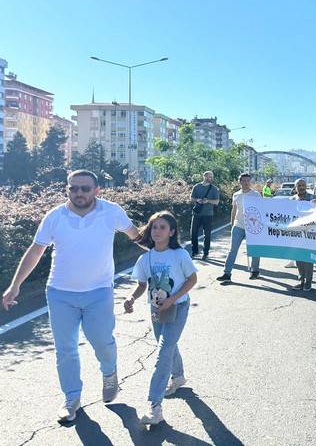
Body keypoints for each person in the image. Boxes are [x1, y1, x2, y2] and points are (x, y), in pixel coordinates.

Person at [2, 170, 140, 423]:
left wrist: (166, 251)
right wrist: (15, 285)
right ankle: (71, 398)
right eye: (73, 188)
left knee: (102, 342)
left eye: (85, 188)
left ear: (97, 190)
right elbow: (35, 251)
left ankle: (109, 373)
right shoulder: (55, 217)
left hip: (99, 291)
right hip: (59, 293)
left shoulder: (111, 212)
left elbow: (136, 236)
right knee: (65, 350)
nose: (79, 193)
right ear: (67, 189)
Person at [124, 211, 198, 426]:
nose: (157, 231)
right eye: (154, 227)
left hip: (178, 308)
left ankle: (154, 406)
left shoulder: (179, 255)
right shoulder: (145, 257)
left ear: (172, 232)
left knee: (163, 351)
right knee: (166, 345)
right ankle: (179, 376)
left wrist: (173, 299)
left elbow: (192, 279)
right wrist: (131, 298)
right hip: (157, 310)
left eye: (163, 227)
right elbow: (141, 285)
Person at [218, 173, 262, 282]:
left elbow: (261, 210)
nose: (246, 182)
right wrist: (232, 223)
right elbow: (234, 209)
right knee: (232, 250)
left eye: (248, 180)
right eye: (244, 180)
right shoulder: (236, 195)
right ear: (240, 182)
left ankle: (254, 271)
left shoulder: (256, 195)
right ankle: (226, 273)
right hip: (238, 226)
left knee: (254, 250)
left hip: (252, 227)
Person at [290, 179, 316, 290]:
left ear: (306, 186)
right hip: (296, 233)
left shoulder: (312, 198)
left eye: (303, 185)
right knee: (298, 257)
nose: (301, 187)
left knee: (308, 258)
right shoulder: (291, 200)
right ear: (295, 187)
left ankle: (308, 282)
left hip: (309, 232)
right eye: (299, 185)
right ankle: (301, 280)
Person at [190, 171, 220, 261]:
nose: (210, 178)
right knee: (193, 233)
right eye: (208, 176)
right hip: (197, 214)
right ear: (204, 176)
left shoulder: (214, 189)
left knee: (207, 235)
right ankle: (195, 251)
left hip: (208, 214)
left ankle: (205, 253)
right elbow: (191, 198)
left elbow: (216, 202)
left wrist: (208, 201)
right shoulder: (196, 187)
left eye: (211, 177)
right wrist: (197, 200)